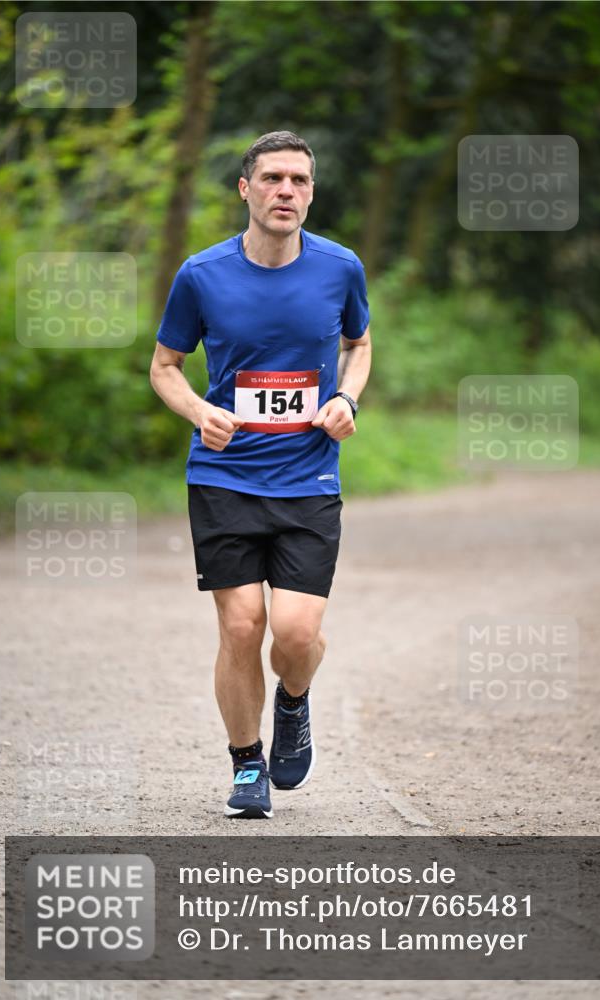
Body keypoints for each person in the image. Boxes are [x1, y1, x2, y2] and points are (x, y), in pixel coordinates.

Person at [150, 130, 371, 819]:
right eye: (272, 179)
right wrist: (197, 412)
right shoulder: (202, 274)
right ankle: (247, 766)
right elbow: (164, 367)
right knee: (242, 627)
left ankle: (295, 703)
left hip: (308, 479)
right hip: (224, 476)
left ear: (311, 192)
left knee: (297, 636)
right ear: (246, 190)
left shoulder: (339, 268)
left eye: (299, 181)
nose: (286, 191)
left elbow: (357, 345)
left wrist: (345, 397)